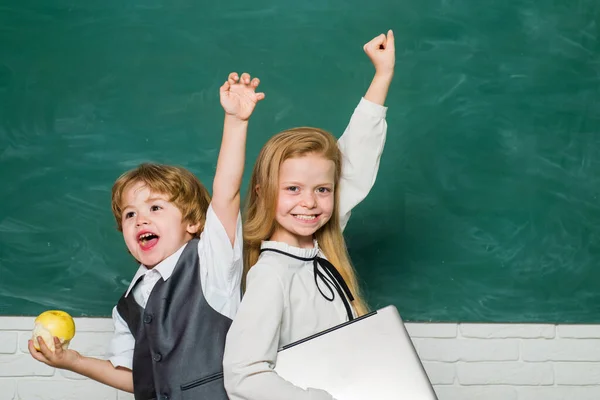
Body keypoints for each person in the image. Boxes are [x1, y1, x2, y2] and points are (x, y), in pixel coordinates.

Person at [29, 72, 264, 400]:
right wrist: (71, 360)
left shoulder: (212, 262)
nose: (140, 219)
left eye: (155, 208)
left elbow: (226, 193)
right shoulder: (129, 303)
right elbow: (137, 379)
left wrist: (236, 122)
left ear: (194, 222)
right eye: (129, 214)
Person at [223, 30, 395, 400]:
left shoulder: (319, 250)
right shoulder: (270, 276)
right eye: (292, 189)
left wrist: (381, 77)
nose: (310, 203)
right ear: (263, 193)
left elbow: (357, 161)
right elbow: (243, 376)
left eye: (322, 190)